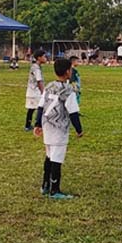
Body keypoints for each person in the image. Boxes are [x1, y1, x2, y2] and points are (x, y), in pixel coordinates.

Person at [34, 58, 84, 199]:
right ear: (68, 71)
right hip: (59, 128)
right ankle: (55, 190)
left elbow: (40, 106)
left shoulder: (49, 86)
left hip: (47, 126)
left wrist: (37, 124)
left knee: (49, 156)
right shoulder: (68, 91)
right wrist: (79, 129)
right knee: (56, 159)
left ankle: (45, 185)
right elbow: (73, 112)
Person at [24, 50, 47, 131]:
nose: (45, 58)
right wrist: (43, 92)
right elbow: (39, 81)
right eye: (44, 56)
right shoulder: (36, 68)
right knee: (40, 108)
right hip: (34, 92)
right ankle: (37, 125)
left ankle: (28, 125)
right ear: (39, 58)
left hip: (33, 91)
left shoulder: (36, 66)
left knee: (32, 109)